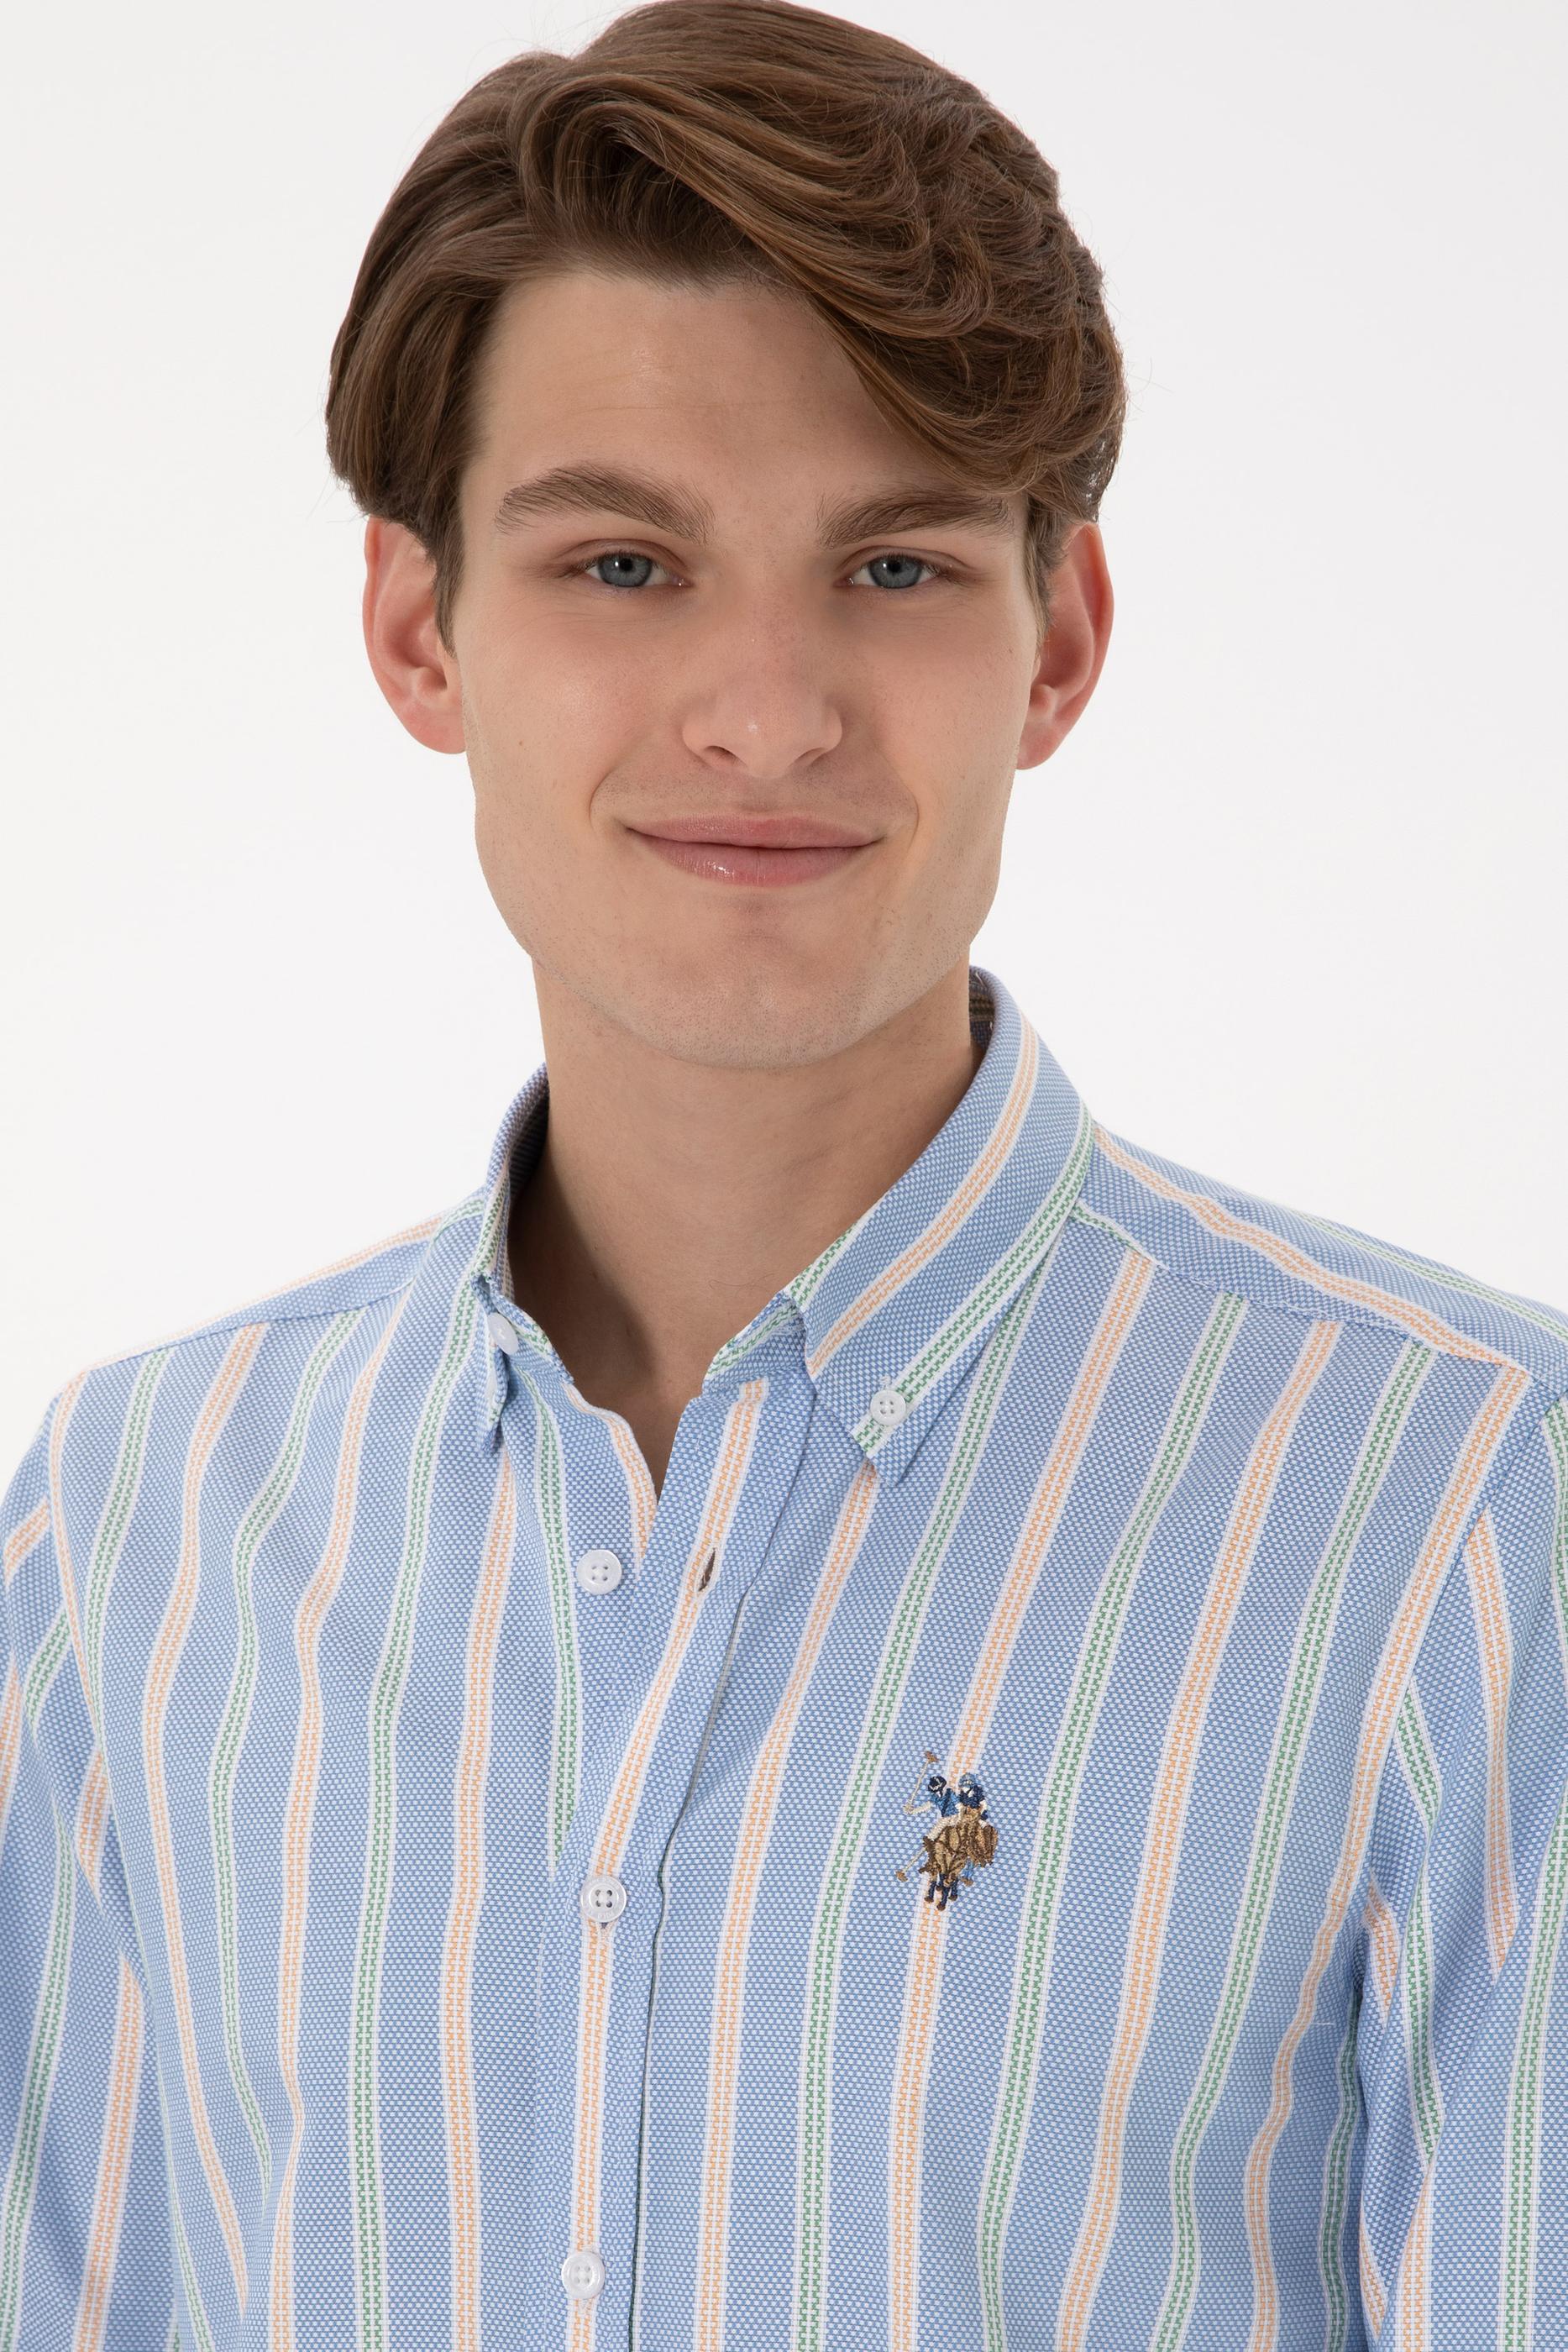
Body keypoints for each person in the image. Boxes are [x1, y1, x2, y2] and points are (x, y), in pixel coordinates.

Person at [2, 3, 1563, 2344]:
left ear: (1061, 643)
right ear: (421, 631)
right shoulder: (135, 1528)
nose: (765, 711)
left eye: (894, 568)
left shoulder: (1463, 1519)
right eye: (624, 564)